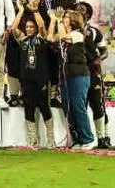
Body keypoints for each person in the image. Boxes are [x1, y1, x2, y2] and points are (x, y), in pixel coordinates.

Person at [9, 0, 55, 149]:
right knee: (29, 109)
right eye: (27, 27)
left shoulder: (41, 39)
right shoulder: (22, 40)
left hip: (41, 79)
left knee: (45, 109)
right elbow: (13, 28)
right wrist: (21, 11)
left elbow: (42, 27)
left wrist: (35, 11)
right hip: (26, 80)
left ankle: (51, 140)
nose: (28, 29)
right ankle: (33, 140)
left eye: (31, 27)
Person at [48, 9, 95, 149]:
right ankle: (77, 138)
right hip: (66, 75)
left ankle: (88, 138)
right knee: (68, 107)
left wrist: (59, 20)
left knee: (78, 106)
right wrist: (52, 20)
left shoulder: (78, 34)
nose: (64, 18)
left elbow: (63, 36)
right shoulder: (65, 33)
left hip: (79, 74)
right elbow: (50, 38)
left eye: (66, 17)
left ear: (73, 20)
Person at [75, 1, 110, 147]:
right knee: (79, 106)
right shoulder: (68, 30)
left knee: (97, 103)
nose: (78, 11)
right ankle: (81, 137)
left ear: (87, 14)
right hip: (76, 73)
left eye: (81, 10)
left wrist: (98, 60)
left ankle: (103, 137)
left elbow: (105, 51)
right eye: (76, 9)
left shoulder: (94, 32)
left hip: (91, 71)